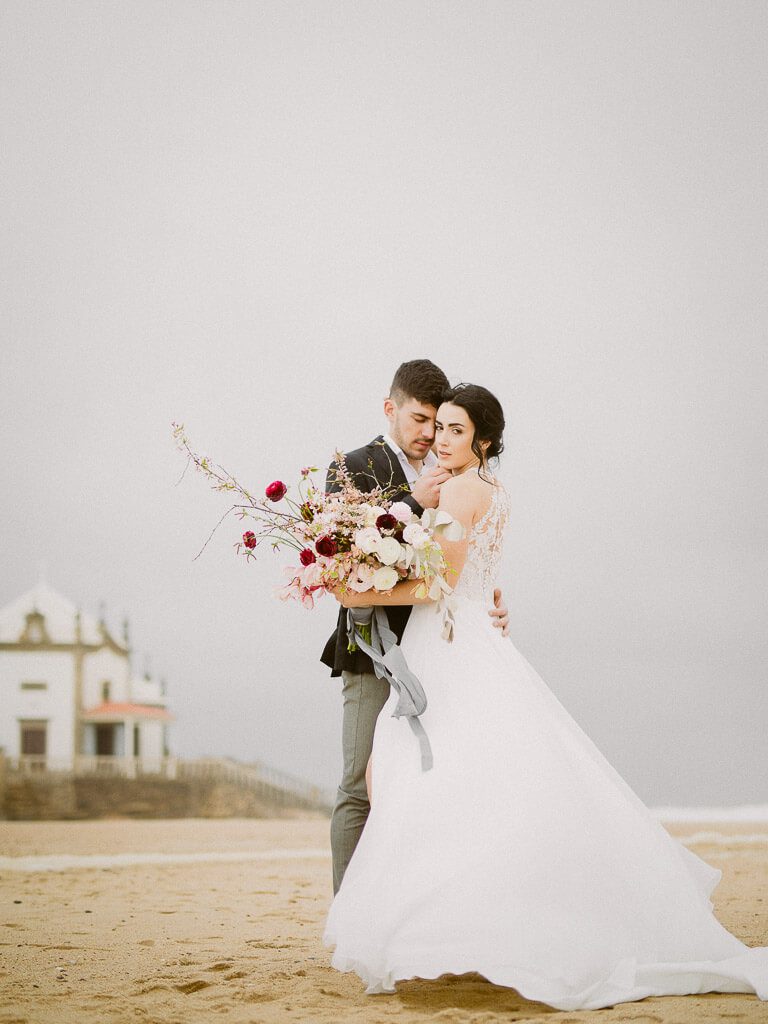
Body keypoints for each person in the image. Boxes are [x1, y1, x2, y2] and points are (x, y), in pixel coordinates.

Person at [323, 382, 768, 1011]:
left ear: (481, 440)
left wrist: (359, 590)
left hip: (449, 642)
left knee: (424, 783)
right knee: (451, 780)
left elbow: (439, 583)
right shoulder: (493, 492)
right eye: (438, 428)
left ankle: (446, 934)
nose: (441, 440)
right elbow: (473, 575)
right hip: (468, 635)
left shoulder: (454, 489)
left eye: (455, 430)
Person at [322, 360, 511, 895]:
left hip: (441, 645)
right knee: (360, 784)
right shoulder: (352, 466)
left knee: (434, 781)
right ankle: (350, 911)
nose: (431, 435)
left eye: (444, 425)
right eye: (422, 420)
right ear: (391, 409)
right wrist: (412, 502)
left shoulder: (456, 475)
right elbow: (340, 550)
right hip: (372, 648)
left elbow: (459, 556)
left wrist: (483, 595)